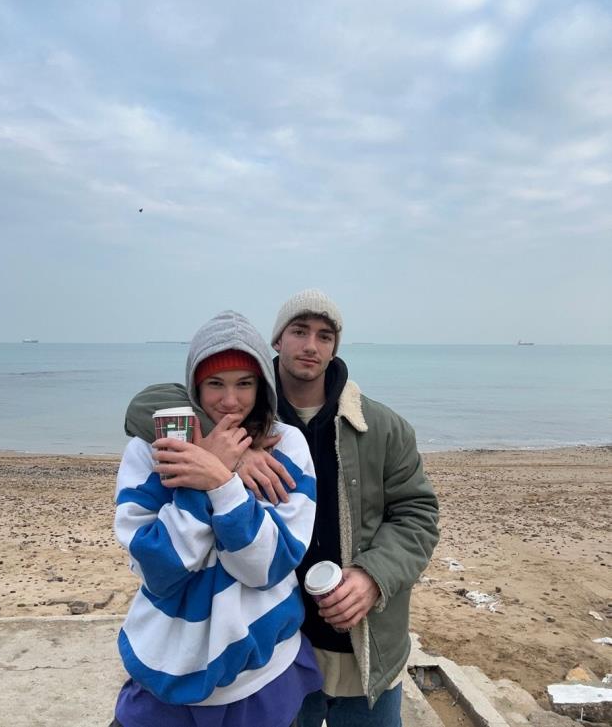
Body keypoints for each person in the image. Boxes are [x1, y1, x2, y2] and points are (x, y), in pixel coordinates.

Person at [125, 291, 440, 727]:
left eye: (324, 335)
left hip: (360, 634)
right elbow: (143, 408)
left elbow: (418, 514)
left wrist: (374, 576)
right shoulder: (240, 413)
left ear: (335, 347)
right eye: (299, 331)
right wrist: (226, 450)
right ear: (276, 340)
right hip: (280, 642)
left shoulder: (382, 427)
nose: (311, 345)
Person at [111, 310, 322, 727]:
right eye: (214, 384)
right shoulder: (150, 450)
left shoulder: (287, 446)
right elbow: (157, 570)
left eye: (245, 383)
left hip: (263, 670)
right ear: (194, 386)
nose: (230, 401)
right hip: (165, 665)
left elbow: (265, 568)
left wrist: (222, 483)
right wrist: (206, 473)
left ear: (262, 385)